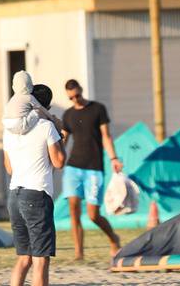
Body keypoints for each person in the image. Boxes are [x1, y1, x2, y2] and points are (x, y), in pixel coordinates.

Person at [3, 82, 64, 286]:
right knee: (40, 260)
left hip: (14, 195)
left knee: (23, 258)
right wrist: (61, 134)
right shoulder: (46, 126)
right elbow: (59, 162)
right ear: (46, 107)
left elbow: (9, 168)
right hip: (37, 195)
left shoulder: (9, 130)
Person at [57, 79, 123, 260]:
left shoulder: (98, 109)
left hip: (94, 167)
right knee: (73, 208)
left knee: (93, 214)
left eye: (77, 95)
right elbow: (63, 141)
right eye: (71, 98)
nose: (75, 100)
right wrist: (55, 159)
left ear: (81, 91)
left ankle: (114, 239)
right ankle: (79, 252)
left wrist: (114, 158)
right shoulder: (68, 114)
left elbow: (106, 136)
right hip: (73, 167)